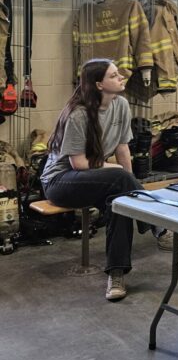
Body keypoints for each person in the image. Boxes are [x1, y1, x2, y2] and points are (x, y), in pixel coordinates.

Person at [41, 59, 147, 302]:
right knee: (120, 177)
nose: (121, 77)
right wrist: (120, 173)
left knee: (120, 201)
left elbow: (122, 149)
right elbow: (78, 164)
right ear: (99, 84)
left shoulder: (121, 105)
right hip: (61, 181)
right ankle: (158, 227)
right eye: (114, 75)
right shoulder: (78, 114)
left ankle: (116, 274)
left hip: (95, 179)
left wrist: (131, 186)